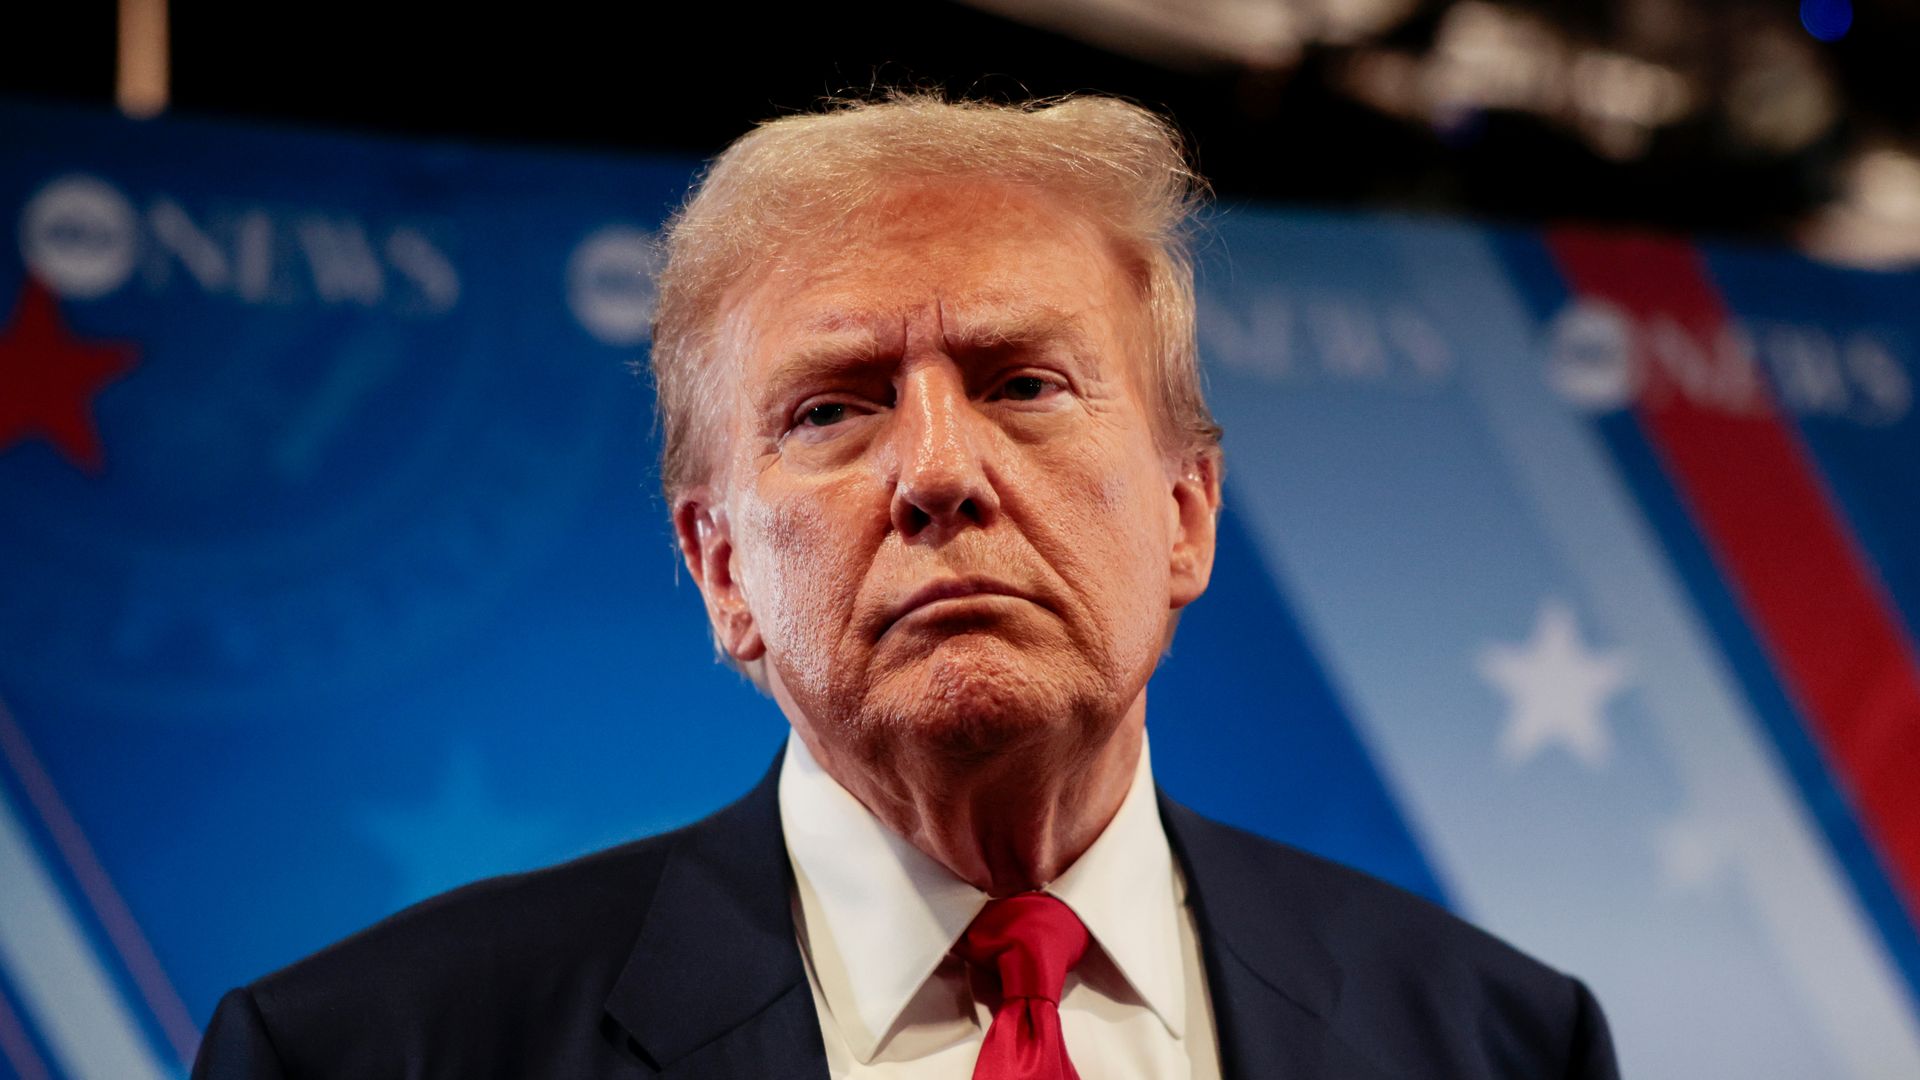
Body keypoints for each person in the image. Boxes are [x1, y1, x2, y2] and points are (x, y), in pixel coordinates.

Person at [192, 92, 1619, 1079]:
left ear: (1187, 515)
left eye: (1023, 384)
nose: (940, 471)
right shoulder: (370, 1053)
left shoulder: (1497, 1043)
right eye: (833, 409)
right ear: (722, 570)